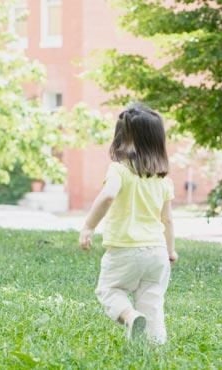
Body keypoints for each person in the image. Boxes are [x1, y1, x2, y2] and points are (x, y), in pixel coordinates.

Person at [78, 104, 178, 344]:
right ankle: (155, 345)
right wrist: (170, 250)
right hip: (156, 253)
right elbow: (168, 220)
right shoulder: (163, 181)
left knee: (110, 291)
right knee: (152, 301)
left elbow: (108, 195)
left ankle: (130, 317)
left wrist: (89, 226)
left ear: (123, 138)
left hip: (125, 250)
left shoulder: (119, 171)